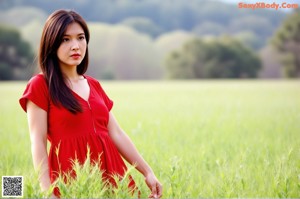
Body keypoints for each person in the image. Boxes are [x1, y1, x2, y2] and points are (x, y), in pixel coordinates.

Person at [19, 9, 162, 198]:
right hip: (73, 179)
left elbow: (116, 133)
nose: (75, 46)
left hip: (113, 175)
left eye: (81, 38)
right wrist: (47, 191)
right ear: (51, 44)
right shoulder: (40, 85)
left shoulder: (94, 85)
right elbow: (37, 141)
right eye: (65, 39)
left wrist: (147, 171)